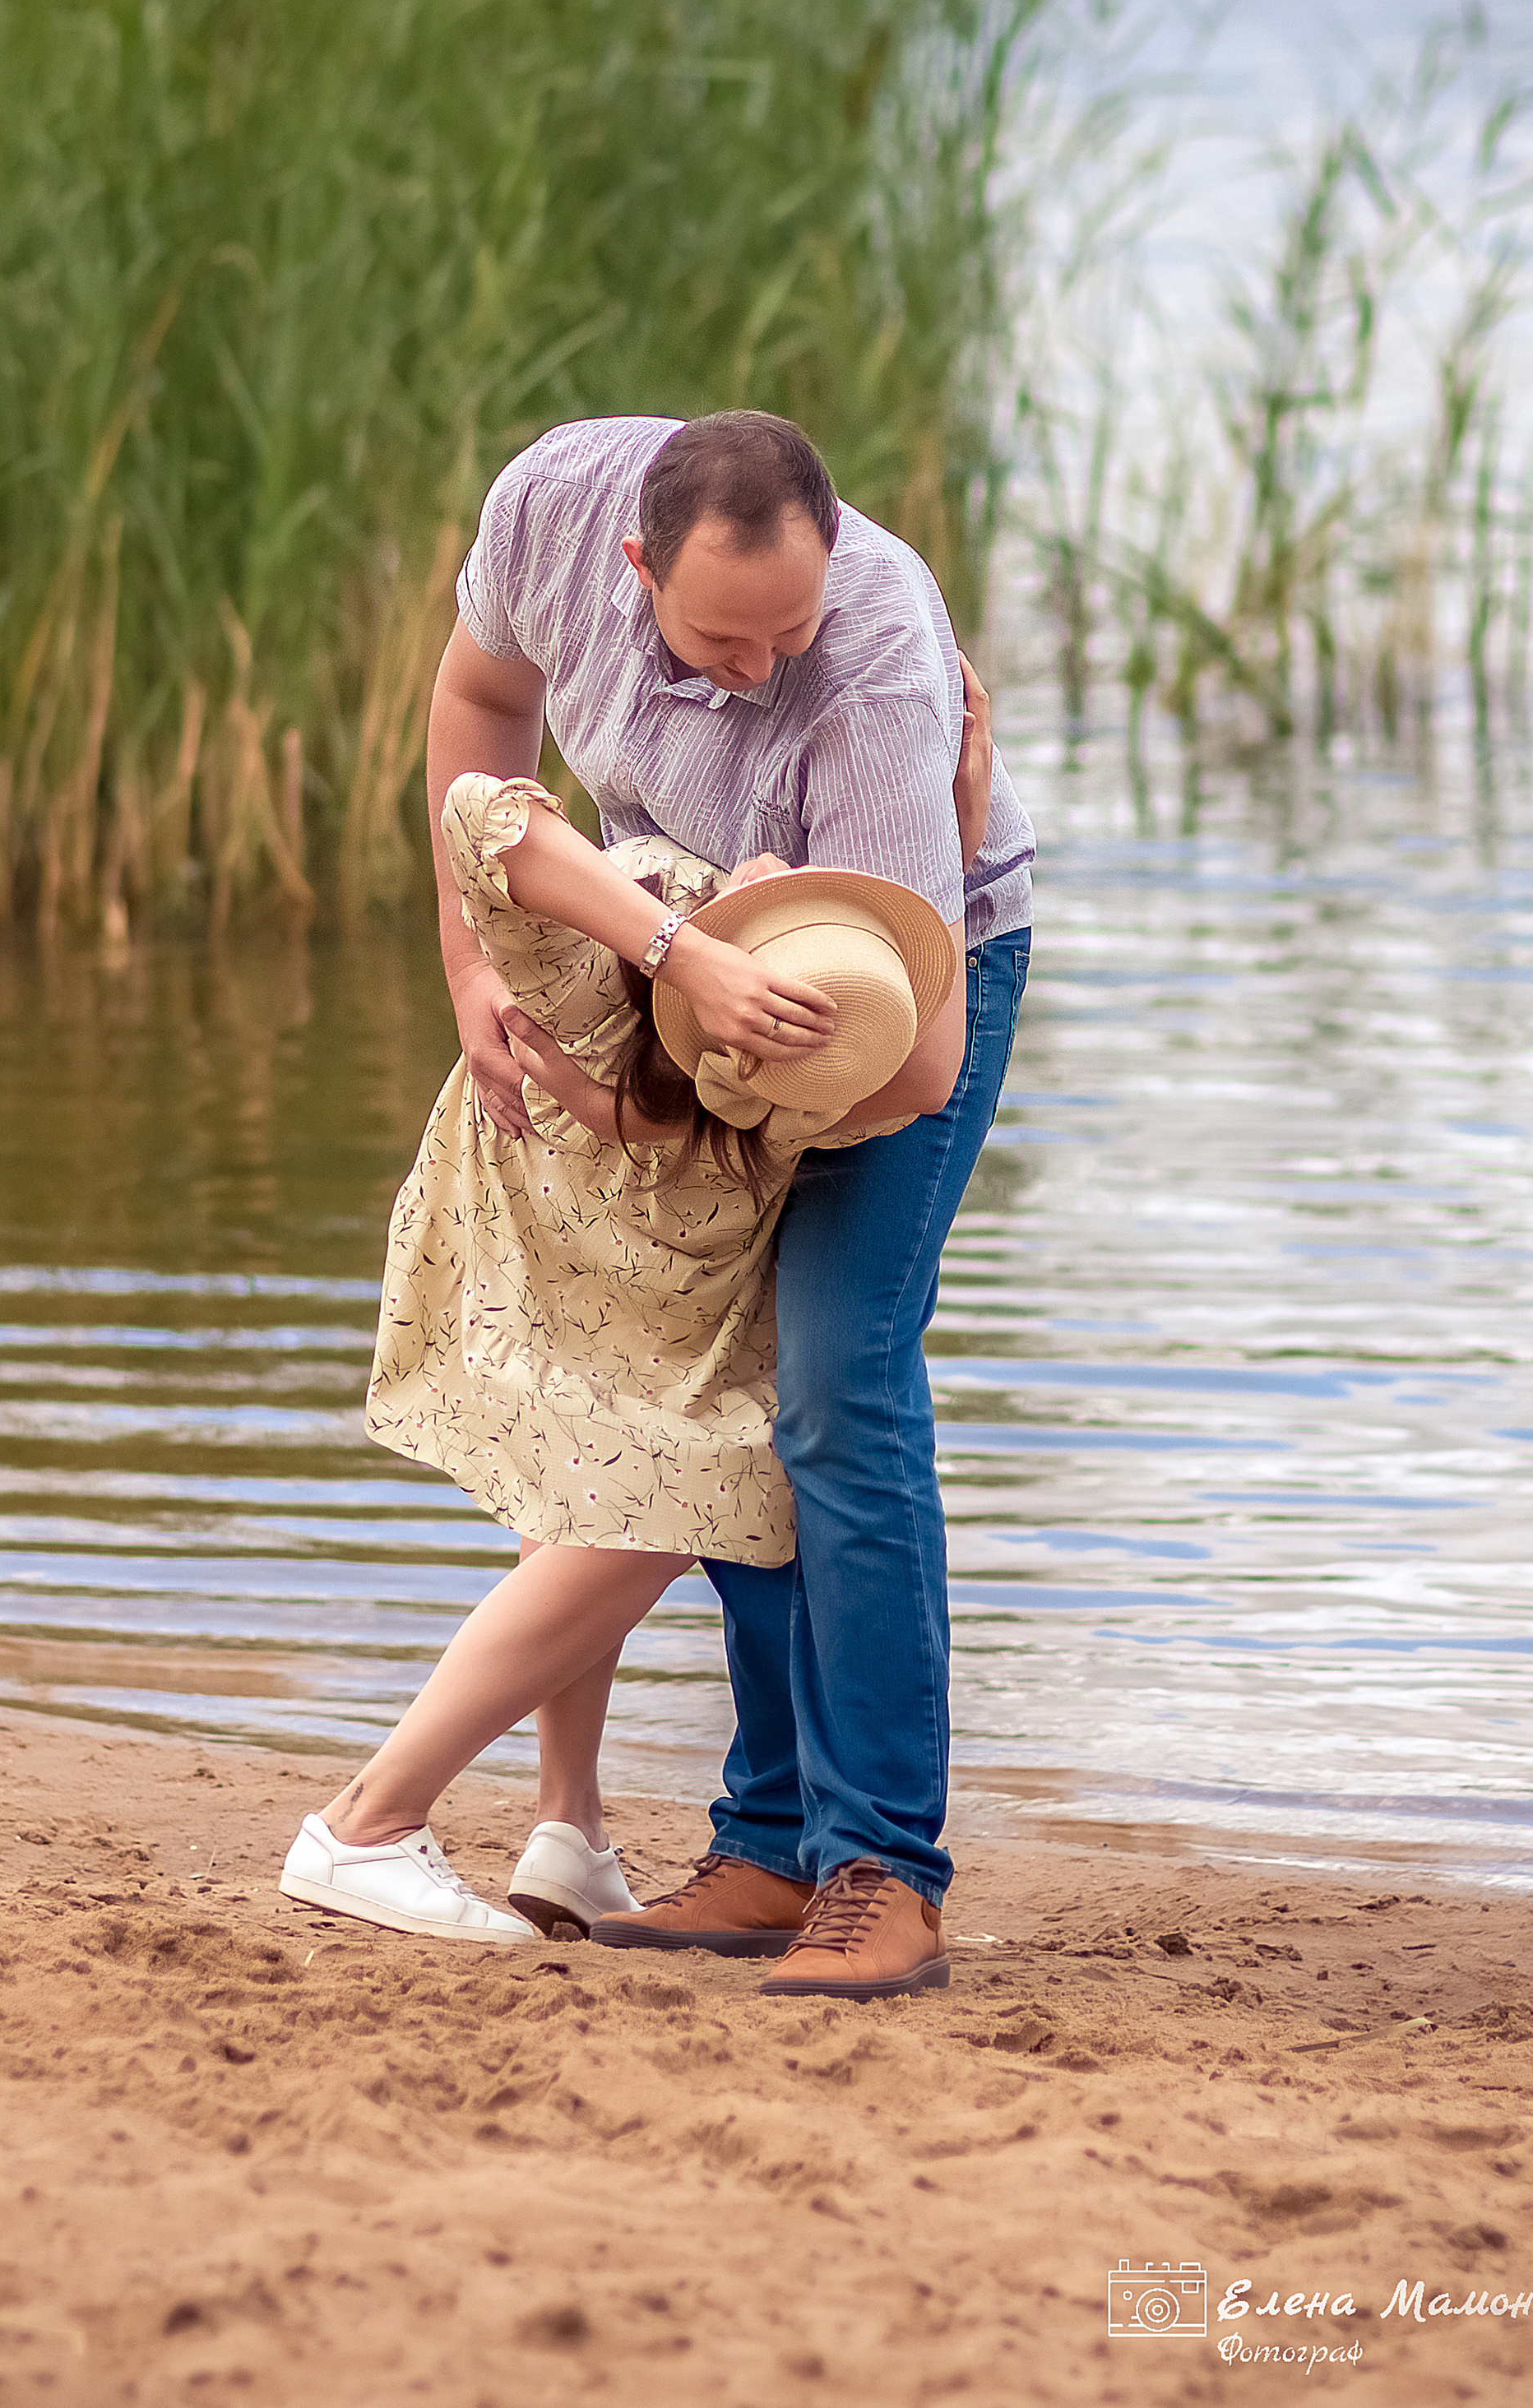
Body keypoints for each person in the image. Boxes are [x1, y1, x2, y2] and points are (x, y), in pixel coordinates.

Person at [426, 411, 1033, 2003]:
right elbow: (484, 705)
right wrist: (472, 960)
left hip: (899, 996)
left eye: (795, 627)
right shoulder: (554, 506)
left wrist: (677, 1096)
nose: (766, 669)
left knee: (834, 1382)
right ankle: (771, 1849)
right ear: (633, 568)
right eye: (722, 636)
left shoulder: (884, 664)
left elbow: (921, 1061)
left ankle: (884, 1868)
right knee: (733, 1398)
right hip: (698, 968)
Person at [279, 768, 952, 1961]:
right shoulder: (637, 934)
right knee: (660, 1492)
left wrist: (954, 804)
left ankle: (570, 1827)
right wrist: (679, 951)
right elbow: (479, 812)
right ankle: (368, 1822)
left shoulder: (782, 1085)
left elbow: (656, 1109)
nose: (772, 868)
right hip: (550, 1237)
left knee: (601, 1490)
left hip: (634, 1283)